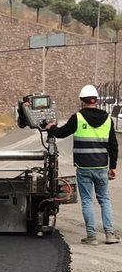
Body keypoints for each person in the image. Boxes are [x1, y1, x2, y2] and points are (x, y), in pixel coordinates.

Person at [46, 85, 120, 245]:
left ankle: (92, 236)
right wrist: (112, 167)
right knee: (104, 199)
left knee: (87, 200)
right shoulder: (108, 119)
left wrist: (51, 128)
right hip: (101, 167)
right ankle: (110, 234)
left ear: (82, 101)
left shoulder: (77, 118)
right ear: (97, 100)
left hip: (84, 168)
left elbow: (61, 133)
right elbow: (113, 145)